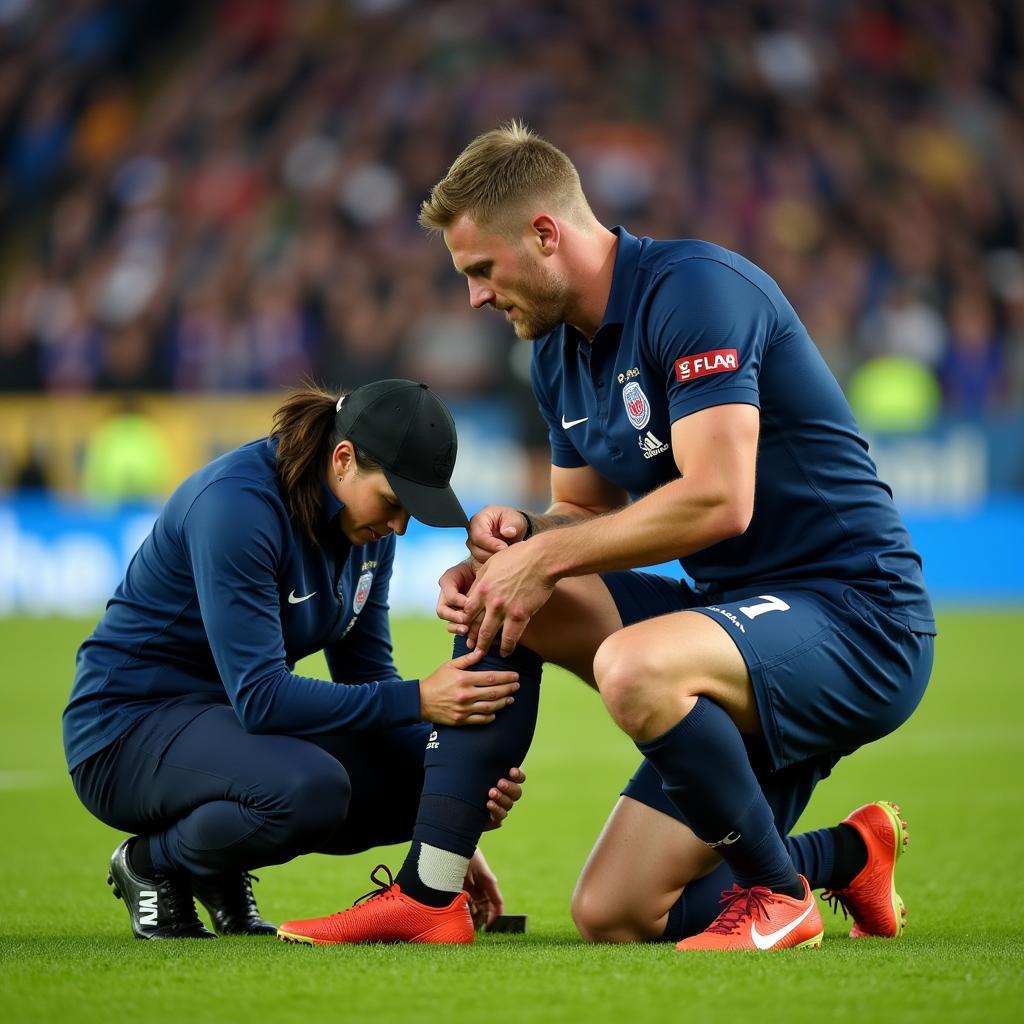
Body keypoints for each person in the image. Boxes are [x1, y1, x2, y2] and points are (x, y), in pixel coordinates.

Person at [280, 122, 934, 952]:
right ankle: (432, 892)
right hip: (735, 627)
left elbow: (718, 502)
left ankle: (779, 896)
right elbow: (582, 520)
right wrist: (524, 535)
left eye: (482, 269)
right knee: (616, 915)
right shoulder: (556, 352)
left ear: (546, 234)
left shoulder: (694, 292)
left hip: (857, 621)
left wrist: (546, 555)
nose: (476, 297)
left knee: (628, 660)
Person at [63, 378, 525, 941]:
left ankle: (216, 866)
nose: (400, 525)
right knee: (308, 788)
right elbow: (262, 698)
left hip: (223, 728)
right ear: (343, 458)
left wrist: (450, 821)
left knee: (443, 775)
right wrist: (423, 700)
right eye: (395, 501)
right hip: (125, 729)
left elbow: (366, 677)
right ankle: (154, 862)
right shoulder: (237, 506)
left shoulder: (368, 529)